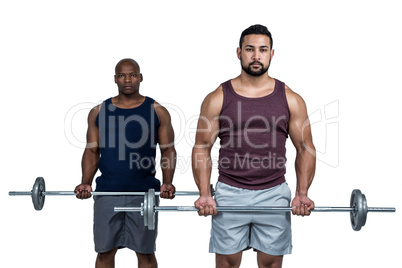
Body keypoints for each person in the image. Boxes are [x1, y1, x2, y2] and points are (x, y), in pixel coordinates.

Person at [192, 25, 316, 268]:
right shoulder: (218, 97)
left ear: (271, 54)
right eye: (250, 49)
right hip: (229, 192)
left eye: (262, 50)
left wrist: (302, 193)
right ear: (239, 53)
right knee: (226, 264)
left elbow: (305, 148)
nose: (256, 56)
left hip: (273, 192)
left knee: (271, 264)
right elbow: (201, 147)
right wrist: (205, 194)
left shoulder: (290, 98)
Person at [74, 58, 177, 268]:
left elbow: (167, 150)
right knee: (104, 252)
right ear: (115, 79)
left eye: (132, 75)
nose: (127, 79)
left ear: (140, 77)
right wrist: (85, 182)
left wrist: (167, 182)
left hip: (144, 194)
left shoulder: (157, 111)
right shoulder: (99, 111)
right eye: (122, 75)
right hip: (107, 193)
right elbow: (92, 150)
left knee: (145, 253)